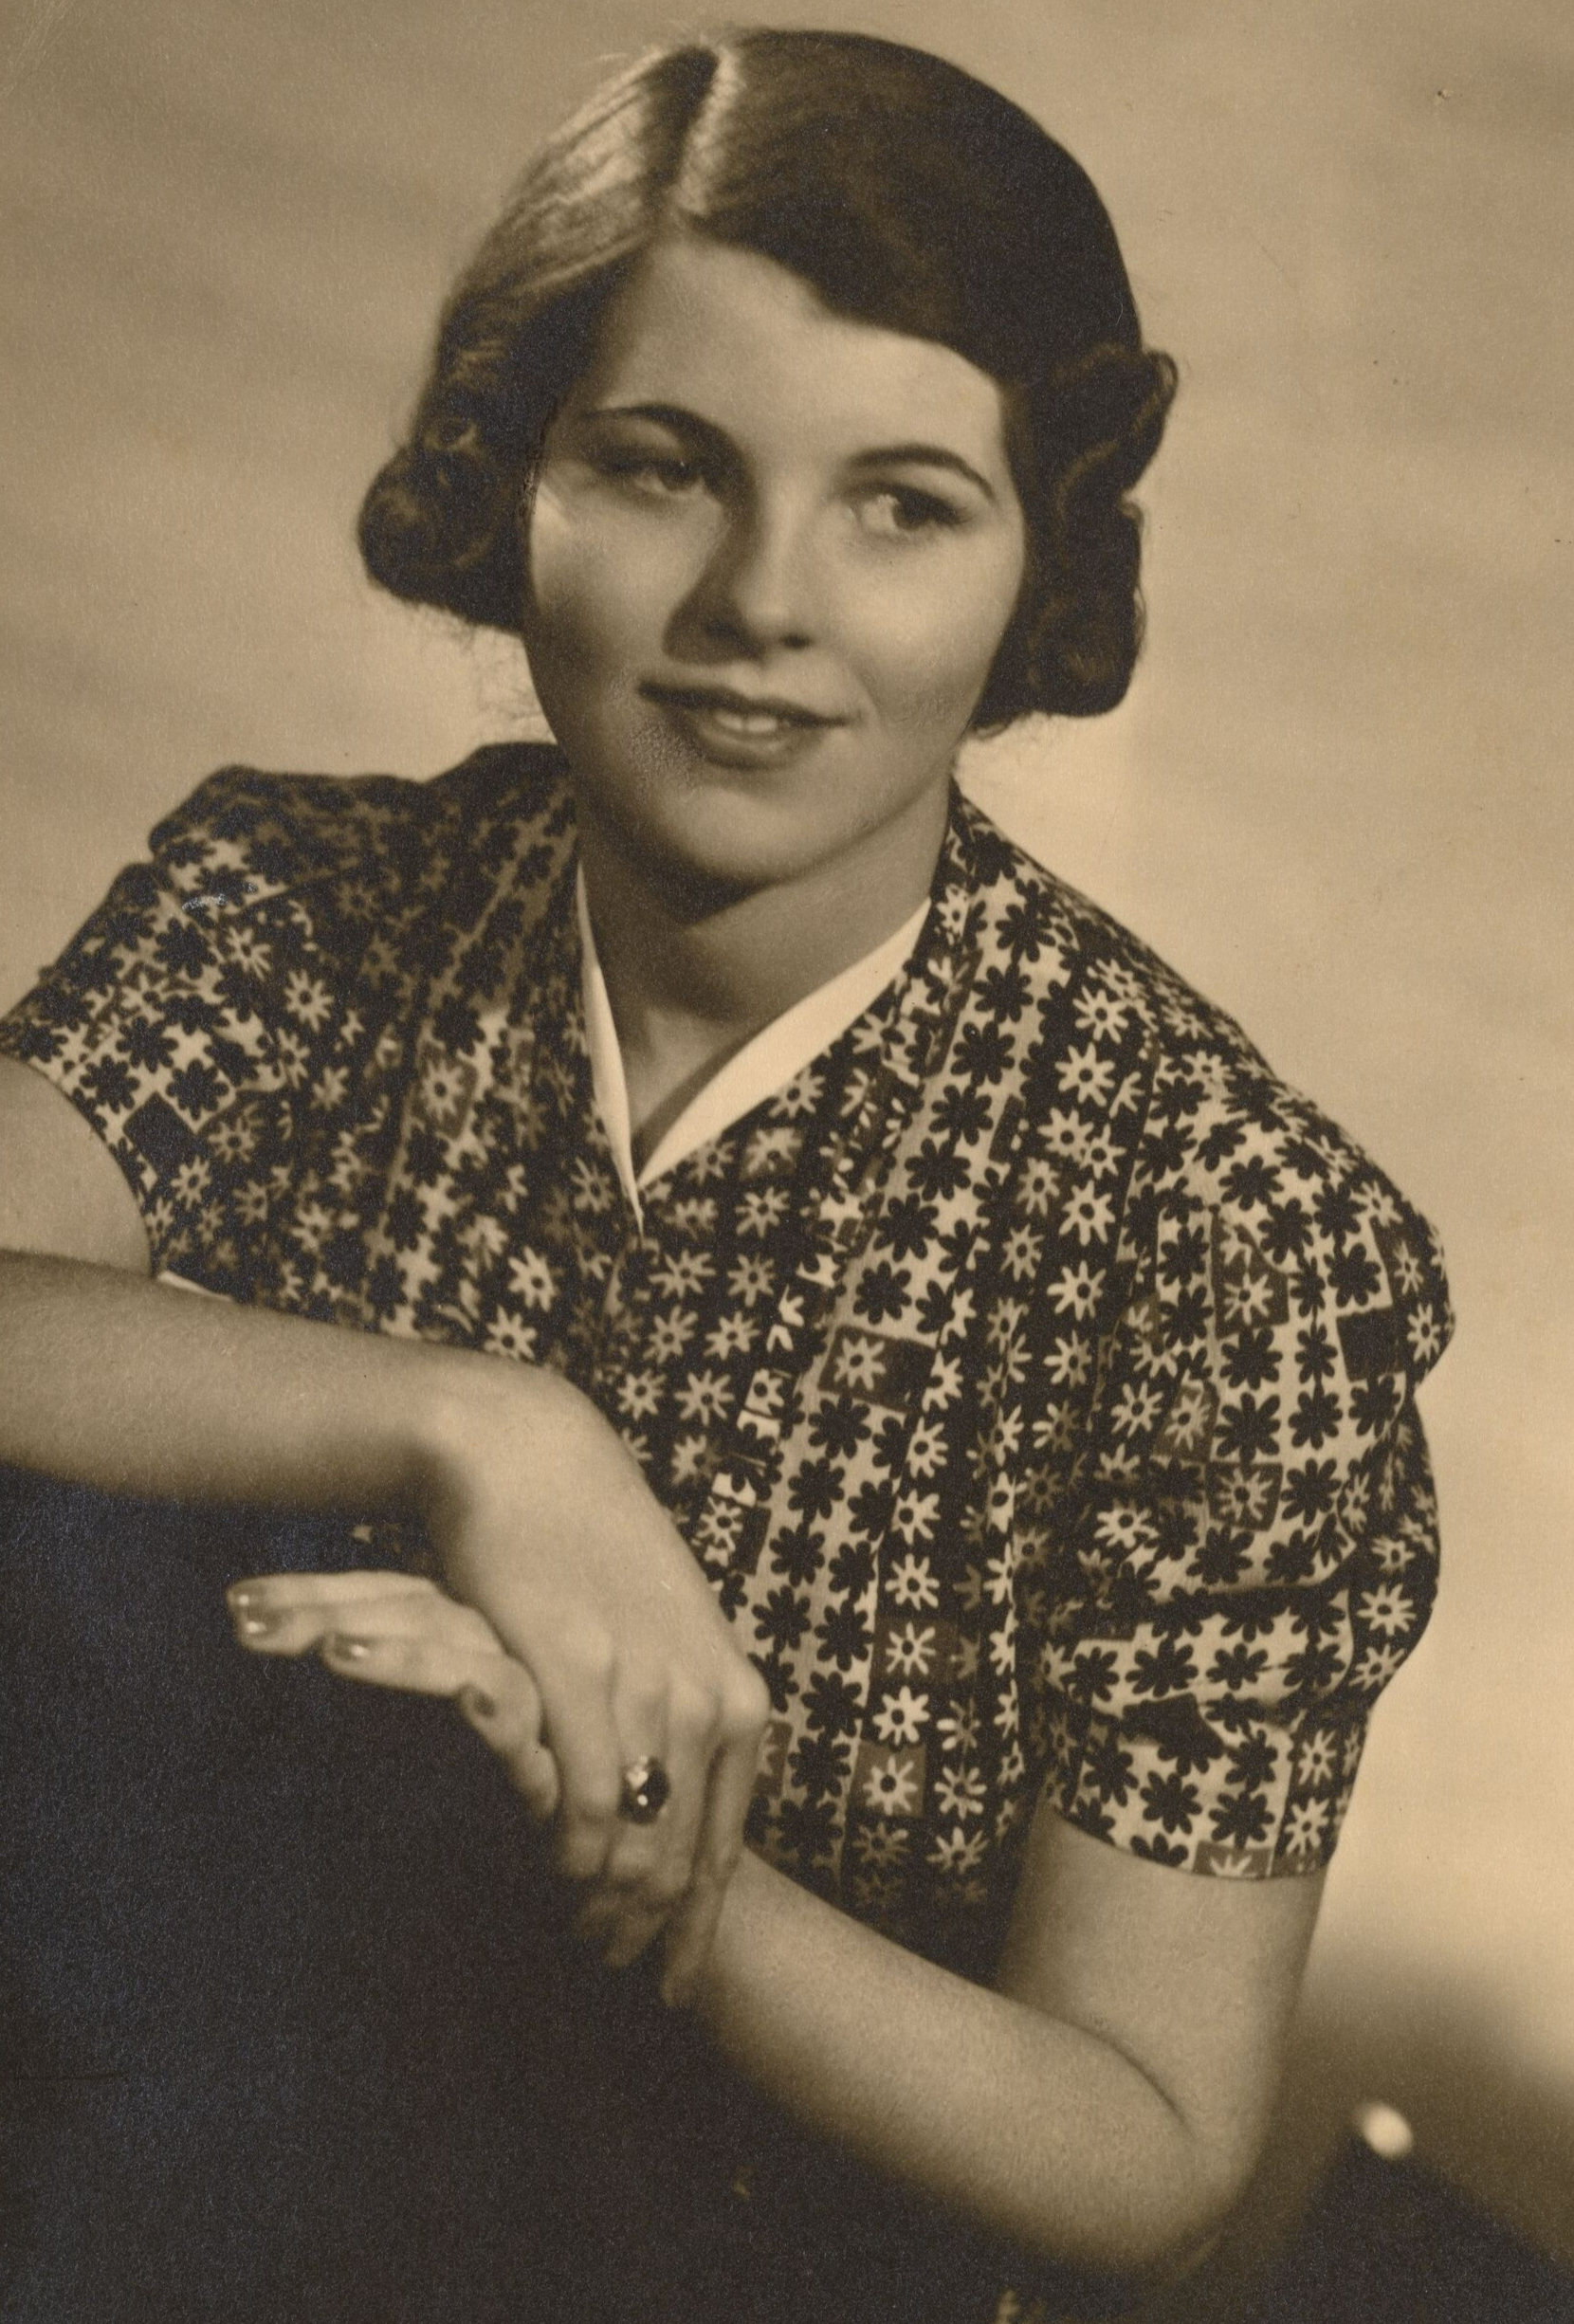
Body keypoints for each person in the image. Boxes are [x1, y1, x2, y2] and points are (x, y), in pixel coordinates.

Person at [0, 27, 1453, 2324]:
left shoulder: (1223, 1237)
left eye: (903, 503)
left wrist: (606, 1830)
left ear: (1035, 566)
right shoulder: (291, 912)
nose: (761, 600)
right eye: (663, 467)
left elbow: (1146, 2146)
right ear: (510, 478)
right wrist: (475, 1432)